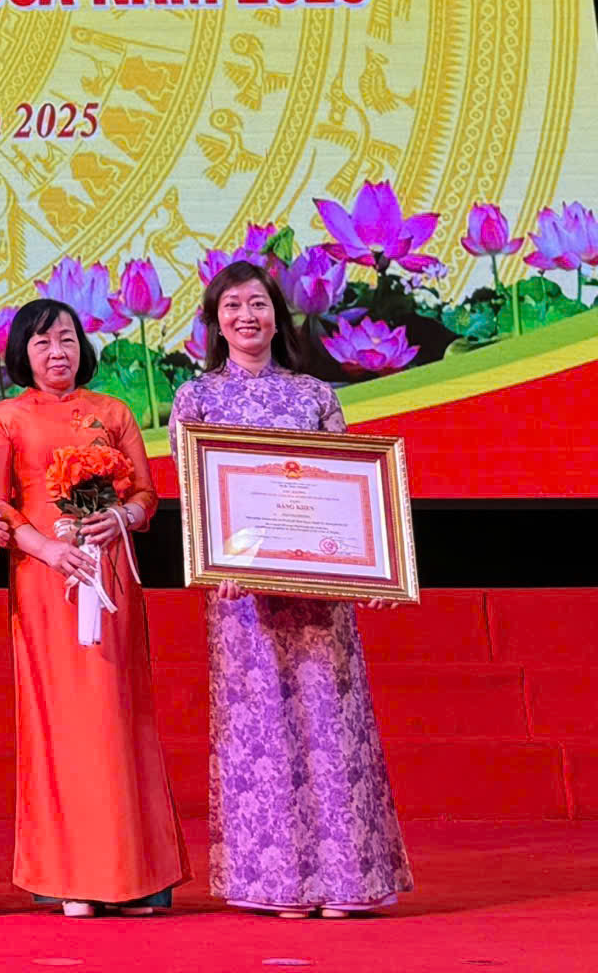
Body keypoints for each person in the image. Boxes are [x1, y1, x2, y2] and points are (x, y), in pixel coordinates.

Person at [172, 260, 412, 918]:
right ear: (215, 322)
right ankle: (277, 883)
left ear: (278, 316)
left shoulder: (313, 395)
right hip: (242, 593)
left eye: (257, 303)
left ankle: (349, 881)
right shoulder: (197, 397)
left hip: (320, 587)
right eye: (231, 306)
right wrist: (217, 564)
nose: (245, 316)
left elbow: (350, 488)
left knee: (332, 720)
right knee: (263, 729)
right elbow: (196, 496)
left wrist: (374, 569)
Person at [0, 298, 186, 916]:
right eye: (43, 342)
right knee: (62, 720)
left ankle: (135, 877)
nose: (58, 352)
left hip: (113, 574)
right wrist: (47, 548)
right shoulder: (6, 417)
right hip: (46, 581)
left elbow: (147, 495)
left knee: (118, 715)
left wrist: (122, 516)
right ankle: (72, 875)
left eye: (67, 339)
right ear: (23, 352)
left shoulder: (113, 411)